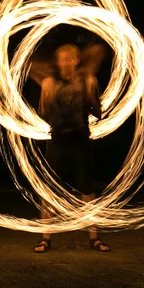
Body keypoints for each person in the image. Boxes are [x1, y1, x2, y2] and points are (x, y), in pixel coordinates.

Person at [29, 42, 111, 253]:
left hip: (81, 141)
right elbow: (43, 115)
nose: (67, 63)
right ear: (58, 63)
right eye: (63, 59)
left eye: (70, 58)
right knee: (48, 190)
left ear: (76, 61)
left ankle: (94, 237)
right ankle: (45, 238)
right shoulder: (49, 82)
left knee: (87, 190)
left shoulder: (87, 81)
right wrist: (45, 98)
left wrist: (92, 93)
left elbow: (98, 113)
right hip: (57, 142)